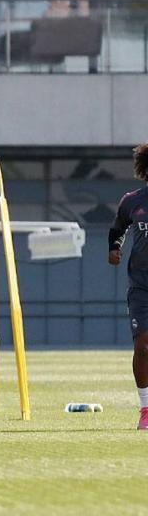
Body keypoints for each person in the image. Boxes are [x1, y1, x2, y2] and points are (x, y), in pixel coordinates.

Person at [107, 142, 148, 430]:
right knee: (144, 347)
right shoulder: (132, 201)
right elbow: (116, 228)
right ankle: (146, 409)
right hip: (141, 286)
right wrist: (115, 247)